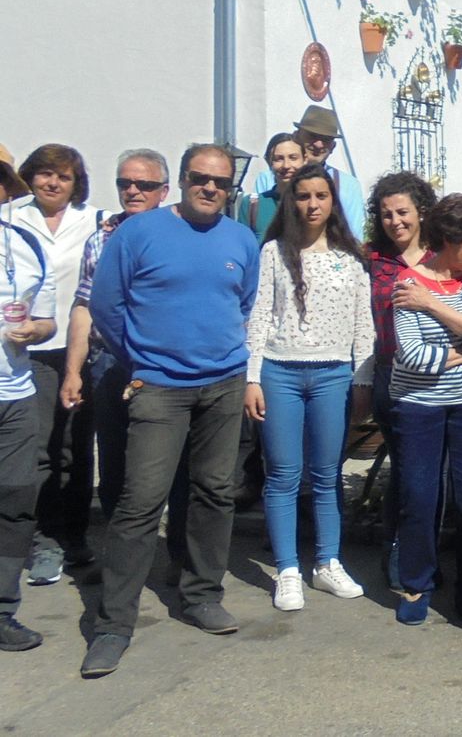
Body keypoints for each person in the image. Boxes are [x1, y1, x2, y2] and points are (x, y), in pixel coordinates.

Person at [82, 144, 261, 678]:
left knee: (213, 493)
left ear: (232, 189)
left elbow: (243, 302)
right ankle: (113, 625)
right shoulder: (138, 234)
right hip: (157, 387)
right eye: (200, 178)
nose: (210, 187)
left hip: (223, 386)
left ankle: (201, 595)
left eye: (221, 182)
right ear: (181, 180)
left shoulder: (241, 239)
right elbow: (106, 305)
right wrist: (138, 360)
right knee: (140, 503)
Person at [243, 163, 375, 612]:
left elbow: (364, 326)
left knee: (326, 476)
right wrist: (253, 377)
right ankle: (287, 570)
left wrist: (362, 380)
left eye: (321, 195)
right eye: (303, 196)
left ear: (332, 201)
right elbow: (260, 315)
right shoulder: (273, 253)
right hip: (280, 372)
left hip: (333, 375)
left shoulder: (351, 258)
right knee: (282, 475)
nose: (312, 204)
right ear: (291, 201)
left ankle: (327, 562)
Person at [57, 150, 177, 571]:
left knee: (169, 465)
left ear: (163, 191)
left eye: (144, 185)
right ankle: (120, 560)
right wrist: (73, 370)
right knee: (114, 462)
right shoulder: (101, 238)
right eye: (125, 183)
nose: (133, 191)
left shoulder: (179, 234)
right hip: (110, 362)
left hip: (165, 367)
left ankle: (174, 558)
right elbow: (83, 306)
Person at [388, 193, 462, 626]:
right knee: (419, 496)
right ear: (451, 239)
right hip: (418, 405)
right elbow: (413, 356)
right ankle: (417, 584)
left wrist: (432, 304)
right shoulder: (406, 283)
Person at [10, 144, 102, 586]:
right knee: (42, 449)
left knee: (77, 448)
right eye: (45, 174)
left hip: (79, 349)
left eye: (62, 177)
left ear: (75, 183)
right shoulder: (12, 217)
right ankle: (44, 539)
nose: (52, 183)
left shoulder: (94, 220)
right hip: (30, 351)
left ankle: (75, 536)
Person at [365, 172, 437, 588]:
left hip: (441, 375)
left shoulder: (442, 256)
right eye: (386, 214)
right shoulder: (372, 260)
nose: (395, 221)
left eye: (403, 212)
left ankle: (423, 557)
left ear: (422, 212)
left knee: (433, 475)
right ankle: (398, 553)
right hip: (391, 377)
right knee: (409, 472)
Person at [0, 144, 58, 652]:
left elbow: (47, 318)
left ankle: (2, 611)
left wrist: (35, 331)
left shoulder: (24, 244)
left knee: (18, 500)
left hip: (15, 394)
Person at [250, 107, 366, 233]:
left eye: (326, 139)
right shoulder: (268, 178)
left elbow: (354, 237)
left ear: (333, 146)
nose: (318, 144)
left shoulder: (348, 185)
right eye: (312, 136)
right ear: (296, 136)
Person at [235, 133, 305, 243]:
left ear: (304, 160)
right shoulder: (252, 205)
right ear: (269, 162)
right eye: (278, 159)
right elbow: (242, 249)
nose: (286, 165)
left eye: (293, 158)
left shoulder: (312, 204)